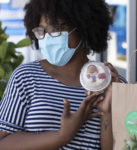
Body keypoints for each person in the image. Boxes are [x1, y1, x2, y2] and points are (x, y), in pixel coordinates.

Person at [0, 0, 124, 149]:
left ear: (83, 26)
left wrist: (107, 112)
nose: (47, 38)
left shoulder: (112, 85)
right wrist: (62, 135)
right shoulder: (25, 77)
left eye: (55, 29)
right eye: (41, 31)